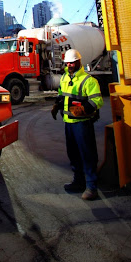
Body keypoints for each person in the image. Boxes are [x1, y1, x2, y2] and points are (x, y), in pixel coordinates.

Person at [51, 48, 104, 201]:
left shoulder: (89, 80)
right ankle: (78, 182)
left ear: (79, 62)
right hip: (69, 123)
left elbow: (97, 100)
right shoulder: (64, 78)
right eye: (67, 63)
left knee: (87, 155)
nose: (69, 65)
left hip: (82, 124)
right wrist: (57, 105)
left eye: (72, 63)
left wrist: (83, 110)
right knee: (73, 154)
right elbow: (62, 95)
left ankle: (92, 187)